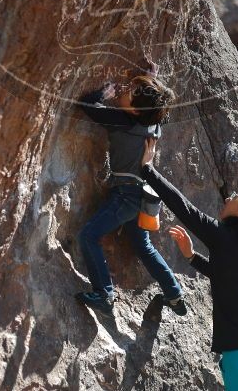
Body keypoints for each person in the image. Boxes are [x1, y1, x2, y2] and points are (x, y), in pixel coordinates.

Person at [140, 137, 238, 390]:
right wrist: (191, 257)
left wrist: (148, 170)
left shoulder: (222, 236)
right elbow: (227, 278)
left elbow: (183, 206)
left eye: (235, 197)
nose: (227, 200)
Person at [74, 70, 187, 317]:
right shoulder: (154, 122)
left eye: (130, 93)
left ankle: (104, 294)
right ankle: (174, 293)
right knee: (142, 245)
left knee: (88, 235)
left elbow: (87, 105)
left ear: (136, 111)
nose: (124, 91)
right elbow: (160, 109)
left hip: (127, 195)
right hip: (144, 194)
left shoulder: (124, 121)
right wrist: (151, 80)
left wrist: (104, 93)